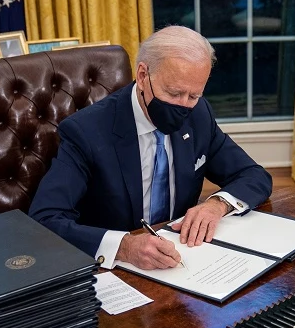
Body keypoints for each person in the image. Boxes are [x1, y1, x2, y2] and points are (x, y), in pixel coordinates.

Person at [29, 25, 272, 271]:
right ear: (143, 76)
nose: (184, 106)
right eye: (174, 93)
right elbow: (45, 220)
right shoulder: (86, 131)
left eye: (193, 95)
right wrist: (124, 246)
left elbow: (254, 176)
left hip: (184, 261)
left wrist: (216, 205)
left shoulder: (199, 115)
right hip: (117, 270)